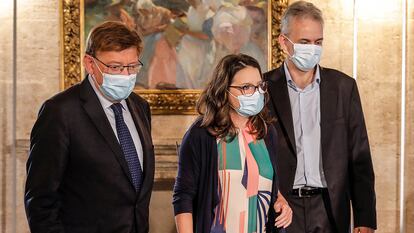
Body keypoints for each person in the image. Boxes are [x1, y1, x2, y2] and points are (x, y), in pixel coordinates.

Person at [25, 21, 155, 233]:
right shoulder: (60, 111)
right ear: (90, 63)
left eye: (132, 67)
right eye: (115, 67)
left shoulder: (140, 107)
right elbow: (41, 201)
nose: (125, 75)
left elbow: (135, 194)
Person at [263, 1, 376, 233]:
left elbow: (360, 157)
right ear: (284, 42)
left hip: (330, 207)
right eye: (304, 42)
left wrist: (365, 220)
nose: (312, 49)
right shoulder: (263, 89)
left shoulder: (344, 88)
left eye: (318, 42)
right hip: (281, 208)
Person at [173, 54, 292, 233]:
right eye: (246, 87)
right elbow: (183, 196)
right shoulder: (201, 134)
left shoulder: (266, 132)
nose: (256, 93)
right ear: (224, 89)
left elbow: (267, 184)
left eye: (259, 86)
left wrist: (281, 200)